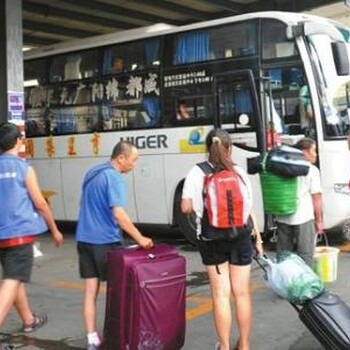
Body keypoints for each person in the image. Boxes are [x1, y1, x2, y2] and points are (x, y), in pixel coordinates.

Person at [181, 129, 263, 350]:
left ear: (207, 148)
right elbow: (248, 207)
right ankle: (244, 345)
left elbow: (185, 206)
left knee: (220, 294)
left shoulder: (197, 172)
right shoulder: (239, 172)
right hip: (241, 236)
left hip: (211, 238)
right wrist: (259, 240)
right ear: (230, 148)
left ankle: (225, 346)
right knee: (242, 292)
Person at [75, 140, 154, 350]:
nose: (135, 164)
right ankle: (120, 336)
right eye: (133, 159)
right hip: (105, 242)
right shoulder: (114, 178)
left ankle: (92, 338)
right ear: (121, 158)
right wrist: (140, 238)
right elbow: (118, 214)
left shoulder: (93, 172)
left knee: (91, 291)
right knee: (120, 291)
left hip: (84, 239)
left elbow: (84, 203)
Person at [0, 122, 63, 350]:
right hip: (19, 234)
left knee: (14, 277)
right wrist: (54, 229)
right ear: (19, 141)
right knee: (12, 280)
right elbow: (40, 203)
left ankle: (28, 320)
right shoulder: (24, 168)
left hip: (1, 235)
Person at [275, 137, 323, 266]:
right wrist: (319, 221)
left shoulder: (282, 168)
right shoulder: (311, 170)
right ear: (304, 152)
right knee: (305, 255)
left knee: (283, 256)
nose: (316, 154)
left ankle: (284, 283)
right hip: (304, 218)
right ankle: (305, 284)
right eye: (313, 150)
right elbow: (316, 198)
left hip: (283, 217)